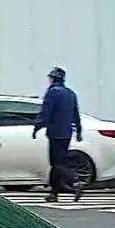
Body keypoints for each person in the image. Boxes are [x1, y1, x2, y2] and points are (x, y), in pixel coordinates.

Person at [32, 65, 84, 202]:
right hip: (67, 132)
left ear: (53, 79)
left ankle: (75, 182)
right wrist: (78, 130)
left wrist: (37, 126)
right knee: (57, 164)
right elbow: (76, 114)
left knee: (58, 163)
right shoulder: (71, 93)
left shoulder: (52, 92)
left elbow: (46, 112)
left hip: (55, 133)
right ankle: (54, 193)